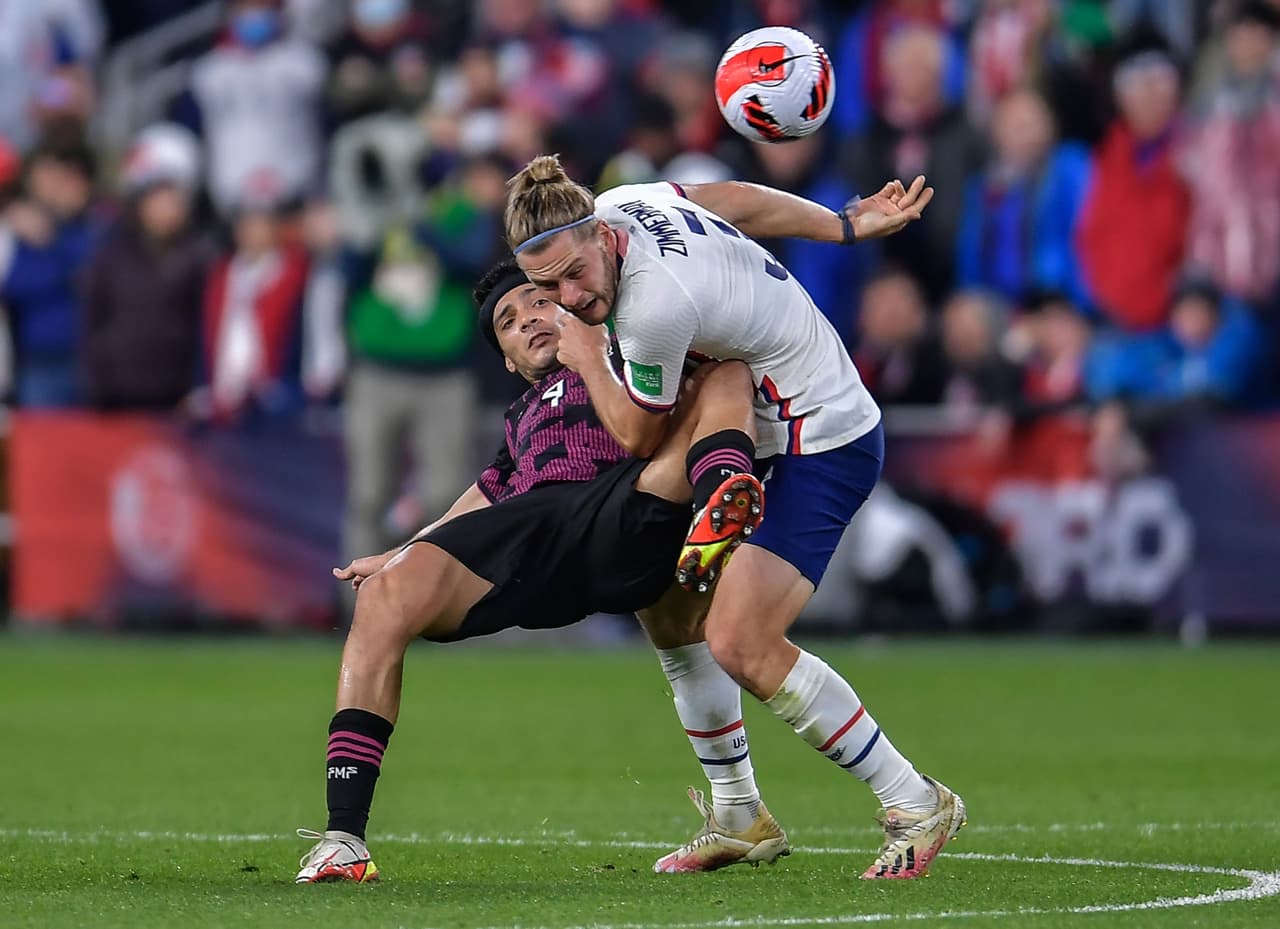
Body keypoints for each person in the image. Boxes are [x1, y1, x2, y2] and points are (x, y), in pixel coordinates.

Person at [506, 155, 966, 880]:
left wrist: (590, 355)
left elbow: (636, 434)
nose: (568, 295)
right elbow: (735, 202)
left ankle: (915, 799)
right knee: (664, 608)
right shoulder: (630, 202)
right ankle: (737, 813)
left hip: (819, 437)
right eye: (545, 287)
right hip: (768, 413)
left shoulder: (653, 307)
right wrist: (840, 225)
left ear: (601, 235)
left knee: (742, 640)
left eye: (574, 273)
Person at [296, 260, 784, 883]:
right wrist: (401, 555)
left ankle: (721, 492)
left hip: (629, 504)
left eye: (536, 303)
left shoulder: (635, 353)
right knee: (384, 600)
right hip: (537, 531)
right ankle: (343, 840)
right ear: (505, 359)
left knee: (725, 375)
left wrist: (596, 350)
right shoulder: (521, 420)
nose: (527, 319)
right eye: (508, 321)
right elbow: (480, 498)